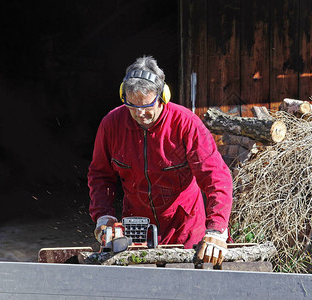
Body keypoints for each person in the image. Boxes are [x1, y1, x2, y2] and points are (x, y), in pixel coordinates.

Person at [87, 56, 233, 266]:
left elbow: (216, 177)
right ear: (123, 96)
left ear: (162, 96)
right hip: (136, 227)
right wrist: (104, 216)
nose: (139, 113)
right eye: (131, 105)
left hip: (186, 227)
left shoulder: (186, 124)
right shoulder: (111, 124)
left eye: (146, 105)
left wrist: (216, 230)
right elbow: (101, 175)